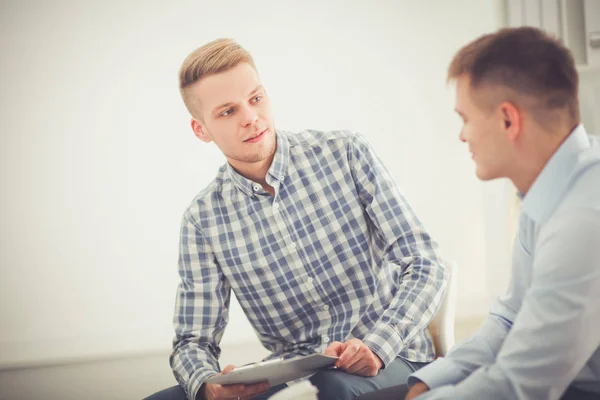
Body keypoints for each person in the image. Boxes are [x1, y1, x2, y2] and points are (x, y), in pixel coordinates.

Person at [144, 38, 449, 400]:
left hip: (390, 355)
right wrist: (207, 385)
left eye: (256, 99)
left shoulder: (345, 153)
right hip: (294, 373)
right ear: (201, 130)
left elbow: (425, 261)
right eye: (228, 112)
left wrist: (378, 347)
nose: (251, 118)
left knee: (331, 389)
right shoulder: (202, 220)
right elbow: (193, 340)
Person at [357, 26, 600, 400]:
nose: (462, 135)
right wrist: (430, 381)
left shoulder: (585, 217)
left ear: (508, 120)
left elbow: (521, 384)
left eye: (465, 118)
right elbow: (508, 316)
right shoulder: (546, 190)